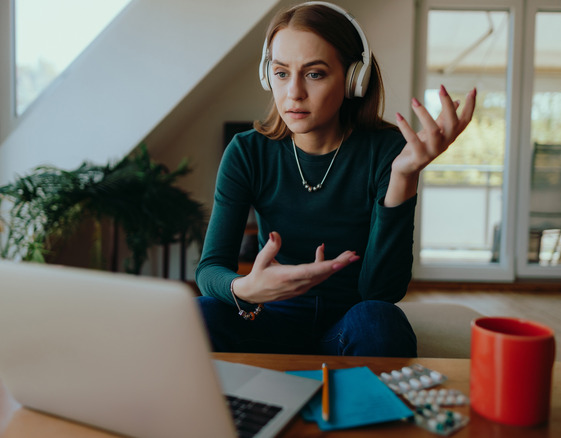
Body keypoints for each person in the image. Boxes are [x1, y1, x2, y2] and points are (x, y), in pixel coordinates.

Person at [195, 1, 475, 356]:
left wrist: (403, 177)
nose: (293, 92)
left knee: (379, 319)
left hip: (346, 327)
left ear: (354, 80)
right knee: (200, 313)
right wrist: (245, 288)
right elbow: (209, 270)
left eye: (314, 73)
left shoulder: (389, 151)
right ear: (268, 76)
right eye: (281, 73)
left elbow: (381, 293)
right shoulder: (248, 152)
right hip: (268, 320)